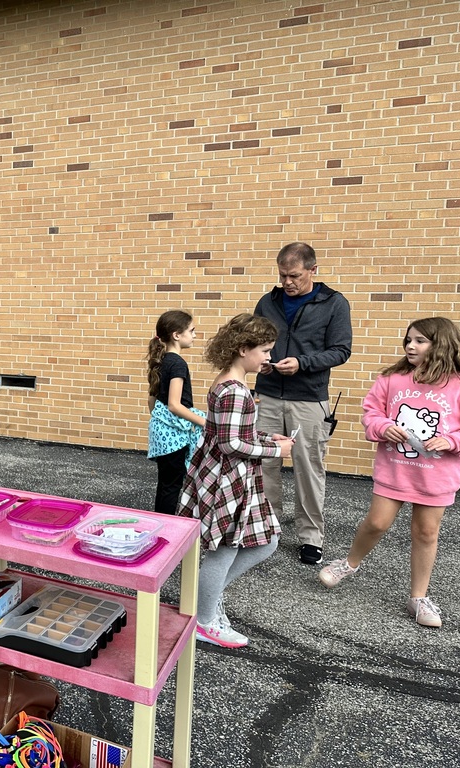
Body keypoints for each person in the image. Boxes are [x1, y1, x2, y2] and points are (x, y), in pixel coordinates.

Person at [318, 318, 460, 628]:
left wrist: (453, 440)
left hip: (436, 478)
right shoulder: (392, 379)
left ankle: (418, 597)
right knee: (377, 523)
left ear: (441, 344)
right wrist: (384, 427)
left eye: (419, 341)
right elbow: (371, 413)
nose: (410, 346)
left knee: (426, 533)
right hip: (395, 471)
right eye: (408, 340)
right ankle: (348, 564)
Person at [177, 314, 295, 648]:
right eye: (265, 351)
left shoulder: (228, 383)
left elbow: (231, 433)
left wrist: (266, 436)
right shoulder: (236, 391)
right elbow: (232, 444)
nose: (269, 358)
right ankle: (203, 620)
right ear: (244, 349)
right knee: (225, 550)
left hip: (229, 476)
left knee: (265, 542)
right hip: (227, 479)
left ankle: (207, 600)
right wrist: (275, 449)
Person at [254, 242, 352, 565]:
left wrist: (303, 363)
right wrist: (261, 363)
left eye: (294, 276)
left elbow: (341, 350)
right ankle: (266, 528)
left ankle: (311, 537)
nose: (287, 283)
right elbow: (253, 342)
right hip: (267, 393)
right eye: (282, 275)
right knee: (263, 465)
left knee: (309, 469)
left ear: (313, 269)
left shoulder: (335, 303)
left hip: (309, 398)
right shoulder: (268, 302)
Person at [146, 310, 206, 515]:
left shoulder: (161, 360)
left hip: (162, 433)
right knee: (172, 485)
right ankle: (167, 527)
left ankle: (162, 522)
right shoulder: (178, 363)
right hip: (174, 435)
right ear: (176, 335)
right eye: (192, 330)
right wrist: (206, 423)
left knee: (166, 483)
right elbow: (174, 404)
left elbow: (152, 401)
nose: (195, 335)